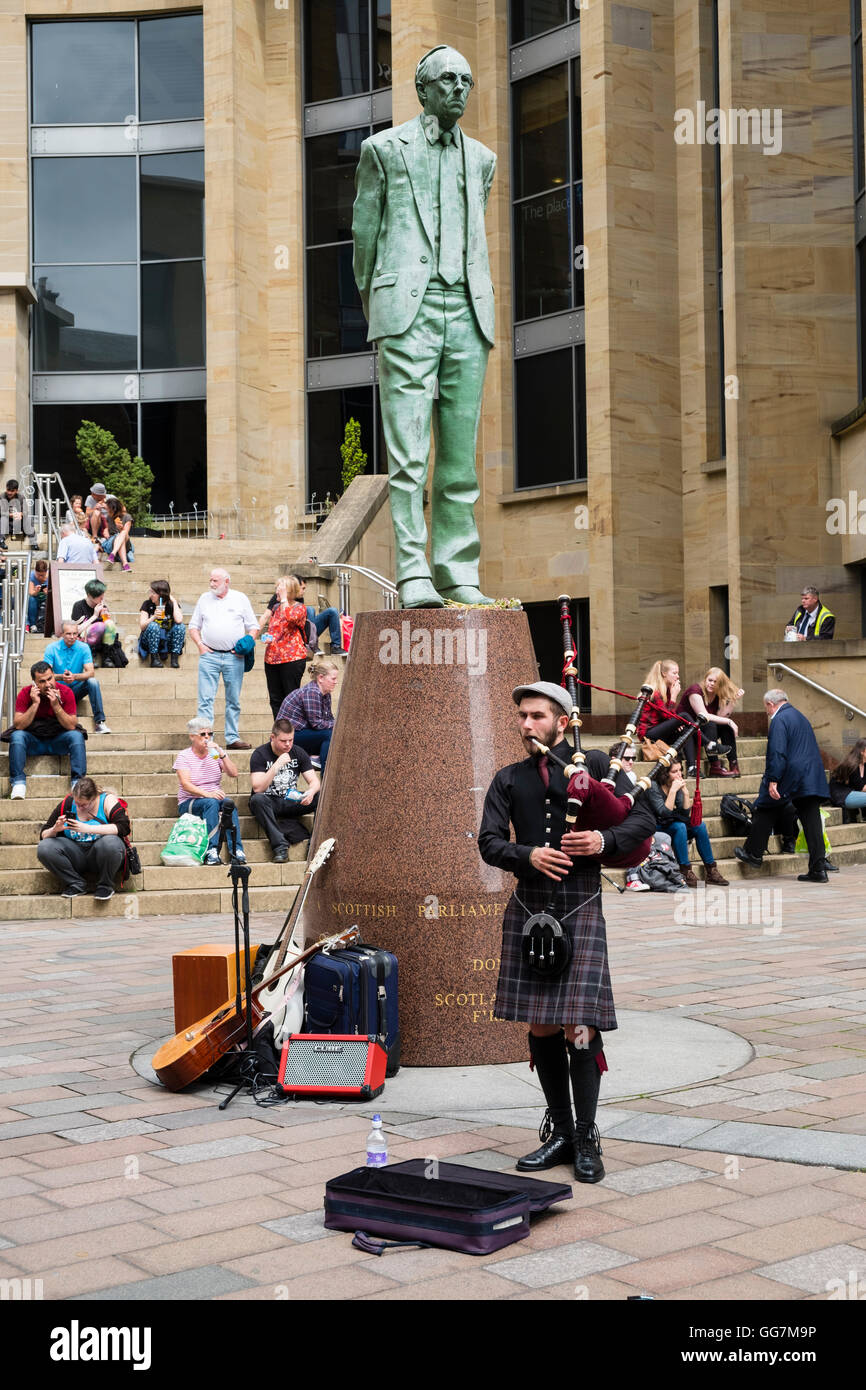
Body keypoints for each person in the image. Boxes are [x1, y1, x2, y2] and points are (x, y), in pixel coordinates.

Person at [478, 682, 656, 1183]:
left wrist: (604, 838)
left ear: (561, 719)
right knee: (539, 1025)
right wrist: (527, 855)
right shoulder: (509, 779)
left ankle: (585, 1137)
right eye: (521, 716)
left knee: (580, 1027)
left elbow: (646, 816)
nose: (527, 724)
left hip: (578, 904)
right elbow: (489, 843)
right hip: (530, 907)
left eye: (537, 715)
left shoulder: (597, 765)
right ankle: (557, 1132)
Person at [352, 46, 497, 608]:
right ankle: (412, 572)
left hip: (467, 311)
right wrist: (381, 306)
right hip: (407, 313)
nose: (459, 89)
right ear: (422, 88)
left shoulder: (482, 159)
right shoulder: (383, 150)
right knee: (409, 453)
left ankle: (458, 570)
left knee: (459, 457)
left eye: (467, 80)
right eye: (447, 80)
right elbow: (365, 238)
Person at [734, 689, 831, 882]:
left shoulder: (780, 719)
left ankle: (753, 853)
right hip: (811, 777)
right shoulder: (800, 716)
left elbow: (777, 752)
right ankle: (818, 869)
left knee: (766, 805)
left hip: (792, 777)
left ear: (771, 704)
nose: (767, 713)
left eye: (766, 708)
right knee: (812, 824)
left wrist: (773, 779)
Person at [189, 569, 259, 751]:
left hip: (234, 656)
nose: (211, 584)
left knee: (233, 699)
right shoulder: (204, 598)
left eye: (215, 581)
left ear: (226, 581)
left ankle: (232, 737)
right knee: (205, 699)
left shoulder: (240, 598)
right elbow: (193, 626)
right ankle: (205, 739)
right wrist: (200, 645)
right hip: (209, 655)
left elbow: (253, 627)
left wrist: (247, 642)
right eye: (210, 580)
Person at [37, 776, 129, 900]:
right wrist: (55, 829)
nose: (79, 807)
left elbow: (124, 827)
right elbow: (43, 834)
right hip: (76, 855)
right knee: (45, 847)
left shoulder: (107, 800)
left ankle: (105, 885)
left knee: (111, 843)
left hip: (102, 854)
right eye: (77, 803)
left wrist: (87, 828)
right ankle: (76, 883)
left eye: (84, 805)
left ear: (94, 798)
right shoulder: (68, 802)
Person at [173, 716, 246, 865]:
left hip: (213, 799)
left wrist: (221, 753)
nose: (207, 737)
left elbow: (234, 773)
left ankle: (237, 850)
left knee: (229, 805)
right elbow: (185, 784)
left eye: (210, 734)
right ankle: (211, 850)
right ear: (192, 737)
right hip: (190, 801)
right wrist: (208, 794)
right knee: (211, 803)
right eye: (203, 734)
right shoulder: (184, 756)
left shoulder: (214, 754)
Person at [9, 661, 87, 799]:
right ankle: (18, 782)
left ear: (53, 675)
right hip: (34, 743)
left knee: (76, 736)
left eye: (50, 678)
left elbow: (71, 725)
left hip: (58, 742)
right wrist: (35, 704)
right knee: (17, 736)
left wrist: (56, 706)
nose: (48, 684)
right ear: (34, 682)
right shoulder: (26, 693)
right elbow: (19, 725)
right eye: (42, 681)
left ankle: (78, 783)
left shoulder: (66, 692)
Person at [249, 718, 322, 862]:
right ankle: (280, 846)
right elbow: (257, 788)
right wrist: (276, 765)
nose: (288, 744)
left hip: (291, 800)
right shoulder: (260, 754)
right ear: (273, 737)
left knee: (321, 797)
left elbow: (314, 781)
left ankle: (315, 843)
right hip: (269, 801)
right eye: (283, 741)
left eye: (291, 740)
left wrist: (311, 792)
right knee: (256, 800)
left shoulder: (298, 752)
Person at [646, 759, 728, 887]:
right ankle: (685, 871)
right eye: (674, 771)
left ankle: (711, 871)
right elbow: (664, 813)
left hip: (671, 824)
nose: (679, 774)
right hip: (656, 827)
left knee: (700, 826)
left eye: (680, 770)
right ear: (664, 773)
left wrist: (685, 793)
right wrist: (673, 791)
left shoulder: (676, 784)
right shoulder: (653, 786)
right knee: (680, 827)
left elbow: (684, 814)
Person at [43, 620, 111, 733]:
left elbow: (90, 672)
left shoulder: (84, 647)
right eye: (68, 634)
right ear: (62, 634)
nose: (72, 637)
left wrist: (74, 677)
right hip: (58, 691)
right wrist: (61, 677)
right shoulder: (51, 648)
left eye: (75, 633)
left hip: (75, 690)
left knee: (93, 682)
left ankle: (100, 722)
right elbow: (46, 675)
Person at [677, 666, 743, 777]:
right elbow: (704, 715)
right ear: (705, 679)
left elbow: (719, 716)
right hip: (686, 730)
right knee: (710, 722)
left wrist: (733, 700)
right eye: (710, 680)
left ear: (720, 684)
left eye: (715, 682)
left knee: (725, 727)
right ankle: (715, 766)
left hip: (702, 731)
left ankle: (734, 766)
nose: (711, 684)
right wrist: (730, 721)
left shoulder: (716, 695)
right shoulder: (695, 691)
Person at [276, 656, 339, 770]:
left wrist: (336, 724)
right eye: (333, 679)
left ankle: (318, 760)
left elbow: (329, 719)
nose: (336, 682)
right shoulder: (312, 692)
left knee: (334, 734)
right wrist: (338, 724)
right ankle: (325, 774)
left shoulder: (326, 694)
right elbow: (317, 724)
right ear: (320, 678)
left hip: (303, 732)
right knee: (329, 734)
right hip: (287, 736)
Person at [260, 575, 309, 718]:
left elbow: (291, 617)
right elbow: (276, 629)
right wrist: (269, 638)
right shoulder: (275, 607)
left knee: (291, 699)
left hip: (292, 659)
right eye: (277, 588)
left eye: (280, 588)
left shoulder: (300, 608)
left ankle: (292, 734)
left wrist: (283, 600)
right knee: (275, 700)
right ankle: (279, 733)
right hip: (272, 658)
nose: (277, 590)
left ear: (289, 590)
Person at [70, 579, 123, 667]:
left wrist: (106, 619)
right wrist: (94, 616)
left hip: (102, 641)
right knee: (98, 626)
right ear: (89, 595)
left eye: (102, 594)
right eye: (99, 595)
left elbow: (110, 629)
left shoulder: (102, 606)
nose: (102, 597)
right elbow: (76, 630)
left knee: (109, 624)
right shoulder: (79, 606)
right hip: (85, 639)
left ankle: (107, 657)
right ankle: (90, 657)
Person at [290, 574, 346, 655]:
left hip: (306, 633)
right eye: (303, 588)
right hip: (294, 635)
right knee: (310, 610)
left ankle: (335, 646)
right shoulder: (281, 598)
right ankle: (312, 645)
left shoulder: (300, 598)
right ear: (295, 587)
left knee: (332, 611)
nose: (304, 591)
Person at [139, 579, 185, 669]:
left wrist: (174, 602)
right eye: (150, 592)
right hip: (150, 640)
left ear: (161, 594)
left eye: (153, 592)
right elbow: (142, 626)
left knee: (180, 627)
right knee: (153, 626)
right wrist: (153, 617)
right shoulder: (147, 604)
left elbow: (179, 620)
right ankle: (154, 659)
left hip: (167, 640)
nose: (150, 595)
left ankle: (174, 658)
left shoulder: (171, 605)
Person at [829, 738, 866, 822]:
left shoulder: (864, 765)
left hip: (853, 793)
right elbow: (861, 788)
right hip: (841, 795)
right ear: (862, 752)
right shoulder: (852, 764)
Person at [101, 495, 134, 570]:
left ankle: (113, 554)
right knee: (118, 536)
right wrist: (105, 531)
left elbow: (126, 534)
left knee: (123, 533)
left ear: (114, 509)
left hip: (125, 541)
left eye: (108, 510)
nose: (107, 512)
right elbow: (107, 529)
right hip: (111, 542)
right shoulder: (109, 517)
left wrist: (121, 529)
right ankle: (125, 564)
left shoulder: (127, 517)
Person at [27, 558, 49, 632]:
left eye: (42, 575)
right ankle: (33, 625)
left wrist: (47, 593)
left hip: (46, 598)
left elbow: (54, 594)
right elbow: (31, 593)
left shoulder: (50, 576)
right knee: (31, 599)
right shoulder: (32, 575)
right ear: (35, 571)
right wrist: (36, 591)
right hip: (35, 598)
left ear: (46, 572)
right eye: (38, 575)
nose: (40, 577)